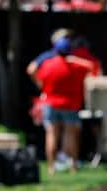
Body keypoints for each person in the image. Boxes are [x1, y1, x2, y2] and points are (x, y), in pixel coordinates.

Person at [27, 36, 96, 174]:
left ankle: (51, 167)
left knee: (51, 134)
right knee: (71, 135)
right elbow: (91, 66)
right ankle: (73, 166)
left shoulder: (48, 65)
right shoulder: (75, 66)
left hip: (51, 103)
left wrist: (39, 84)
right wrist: (72, 59)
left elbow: (32, 71)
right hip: (70, 104)